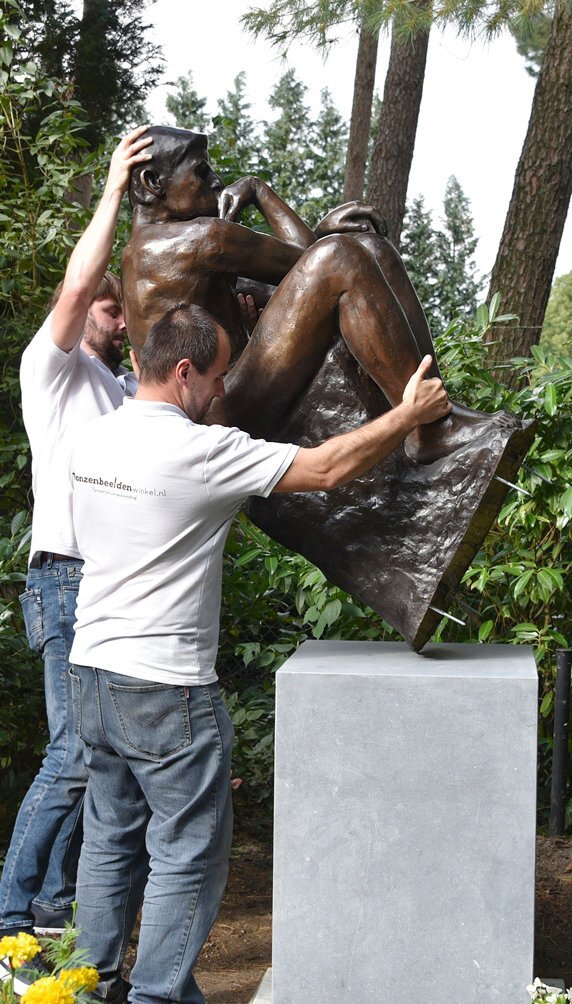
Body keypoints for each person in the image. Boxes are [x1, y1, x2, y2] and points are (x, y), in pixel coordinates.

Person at [68, 302, 451, 1004]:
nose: (221, 392)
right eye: (215, 377)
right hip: (165, 687)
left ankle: (85, 988)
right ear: (183, 371)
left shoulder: (93, 441)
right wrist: (408, 413)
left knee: (109, 840)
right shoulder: (198, 451)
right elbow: (328, 468)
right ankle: (156, 997)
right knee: (187, 852)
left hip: (91, 670)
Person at [121, 125, 509, 466]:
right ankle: (428, 427)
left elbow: (302, 268)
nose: (218, 182)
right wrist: (259, 190)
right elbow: (316, 258)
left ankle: (437, 411)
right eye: (202, 172)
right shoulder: (200, 239)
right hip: (218, 405)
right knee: (343, 255)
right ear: (152, 183)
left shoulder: (143, 251)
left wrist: (322, 241)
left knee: (373, 251)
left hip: (219, 396)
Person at [0, 127, 152, 988]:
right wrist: (111, 190)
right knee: (73, 756)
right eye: (105, 301)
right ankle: (10, 919)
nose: (112, 309)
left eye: (119, 304)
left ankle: (57, 916)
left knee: (103, 763)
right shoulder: (50, 369)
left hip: (111, 589)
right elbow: (77, 280)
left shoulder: (123, 390)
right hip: (63, 580)